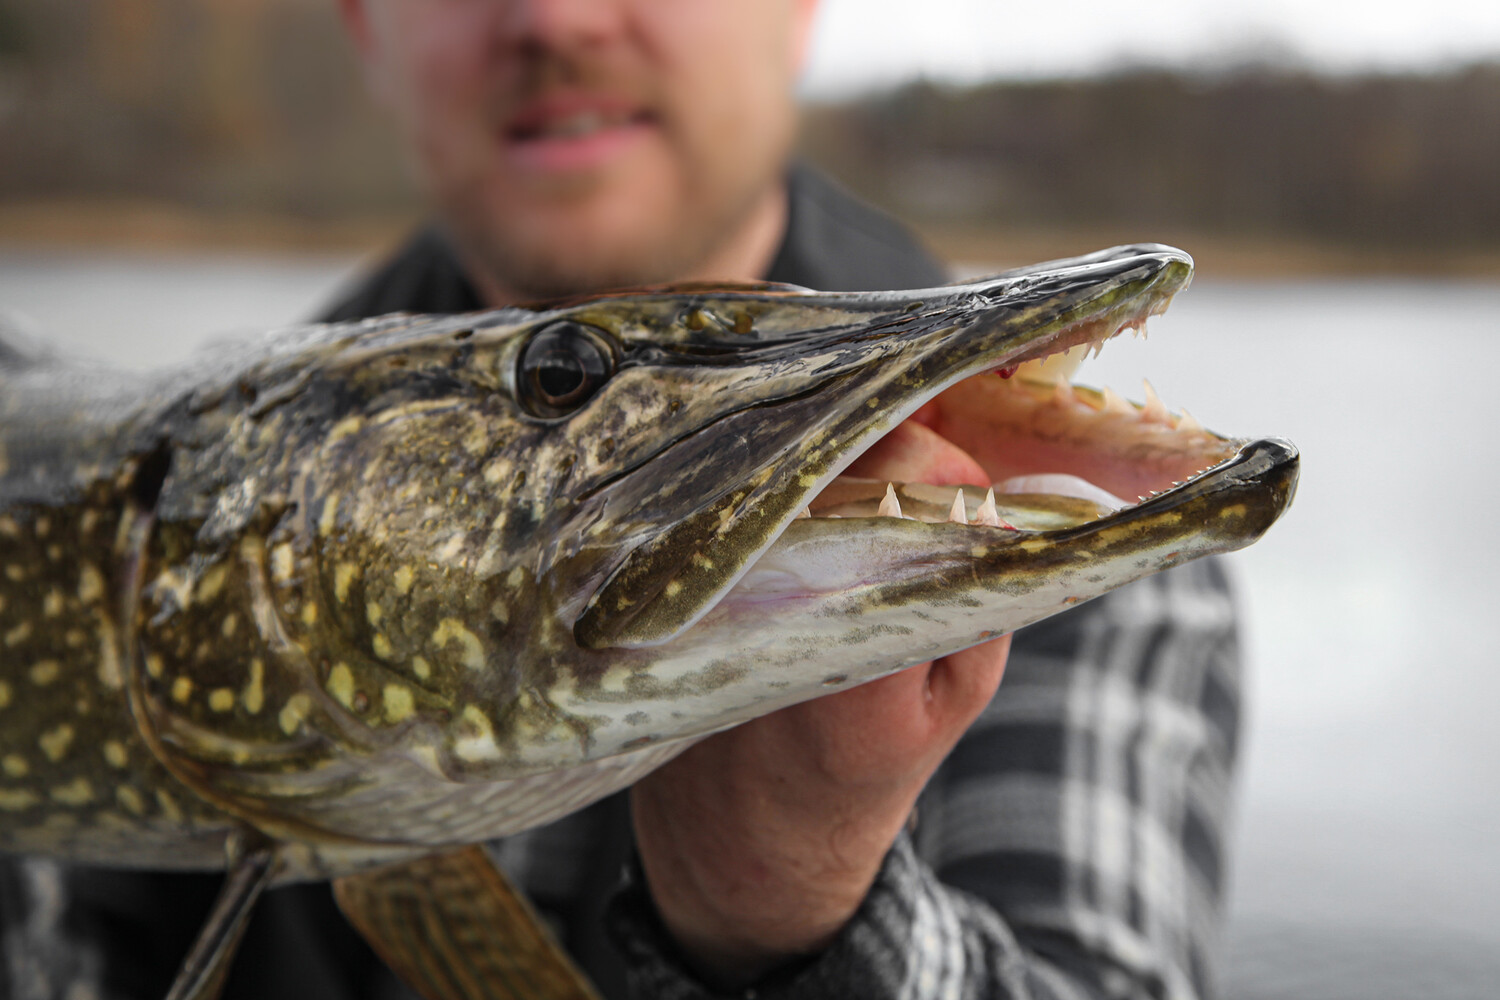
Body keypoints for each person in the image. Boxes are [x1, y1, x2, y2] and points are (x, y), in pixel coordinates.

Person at [0, 2, 1243, 998]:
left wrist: (790, 919)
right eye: (560, 382)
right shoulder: (246, 441)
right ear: (366, 29)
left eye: (566, 376)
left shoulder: (1060, 521)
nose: (556, 16)